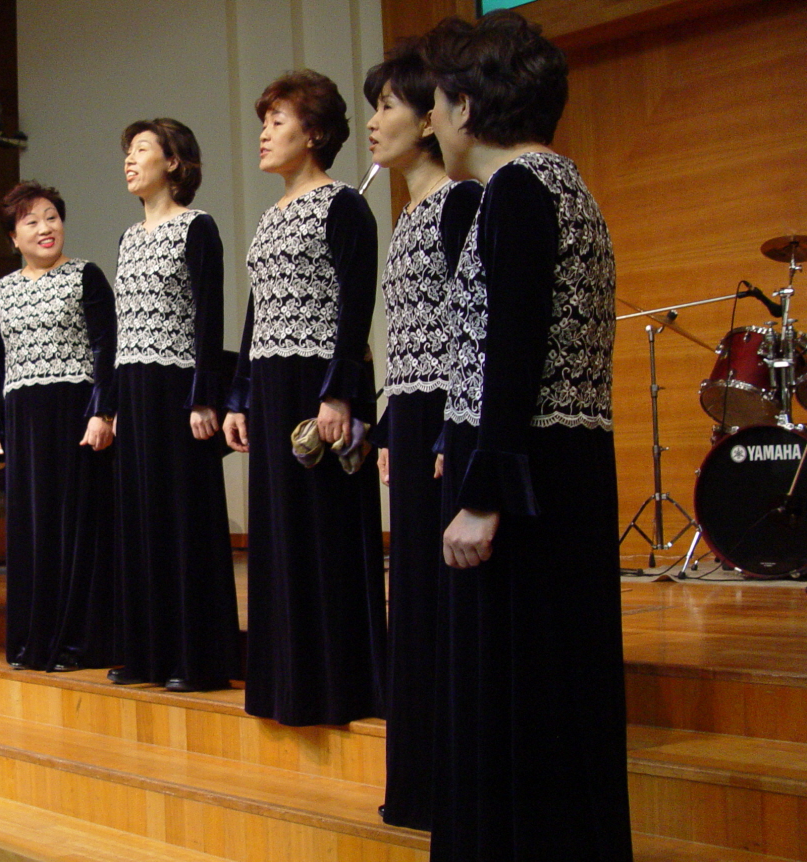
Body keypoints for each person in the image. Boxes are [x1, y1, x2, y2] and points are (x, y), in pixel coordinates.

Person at [423, 12, 633, 861]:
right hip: (564, 467)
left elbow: (513, 349)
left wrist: (482, 494)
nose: (432, 118)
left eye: (438, 101)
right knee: (560, 692)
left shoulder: (517, 189)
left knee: (520, 692)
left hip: (525, 478)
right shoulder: (563, 183)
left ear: (469, 107)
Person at [223, 70, 385, 727]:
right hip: (271, 387)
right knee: (279, 535)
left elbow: (356, 304)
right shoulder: (270, 218)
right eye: (263, 122)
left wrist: (340, 394)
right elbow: (256, 313)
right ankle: (287, 685)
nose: (263, 134)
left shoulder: (344, 205)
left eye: (278, 121)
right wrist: (238, 394)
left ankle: (339, 686)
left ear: (314, 132)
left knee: (325, 534)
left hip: (318, 387)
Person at [363, 42, 482, 830]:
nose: (375, 123)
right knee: (412, 592)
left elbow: (469, 329)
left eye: (387, 107)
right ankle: (420, 783)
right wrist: (387, 426)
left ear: (430, 120)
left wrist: (444, 432)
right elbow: (409, 335)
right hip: (408, 417)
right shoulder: (408, 215)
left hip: (447, 417)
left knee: (445, 600)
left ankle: (456, 785)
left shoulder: (459, 203)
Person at [109, 118, 240, 692]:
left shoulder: (197, 227)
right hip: (135, 393)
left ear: (173, 162)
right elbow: (123, 330)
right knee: (141, 520)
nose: (129, 160)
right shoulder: (128, 238)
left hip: (180, 391)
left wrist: (204, 397)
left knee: (185, 520)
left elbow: (209, 317)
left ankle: (197, 657)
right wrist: (114, 404)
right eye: (127, 152)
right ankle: (146, 653)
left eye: (141, 149)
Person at [0, 181, 117, 673]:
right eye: (30, 221)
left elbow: (106, 348)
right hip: (24, 421)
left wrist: (103, 411)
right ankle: (33, 641)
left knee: (77, 527)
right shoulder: (5, 289)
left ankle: (79, 643)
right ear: (13, 237)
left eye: (51, 217)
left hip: (76, 415)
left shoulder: (85, 276)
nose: (44, 228)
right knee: (32, 529)